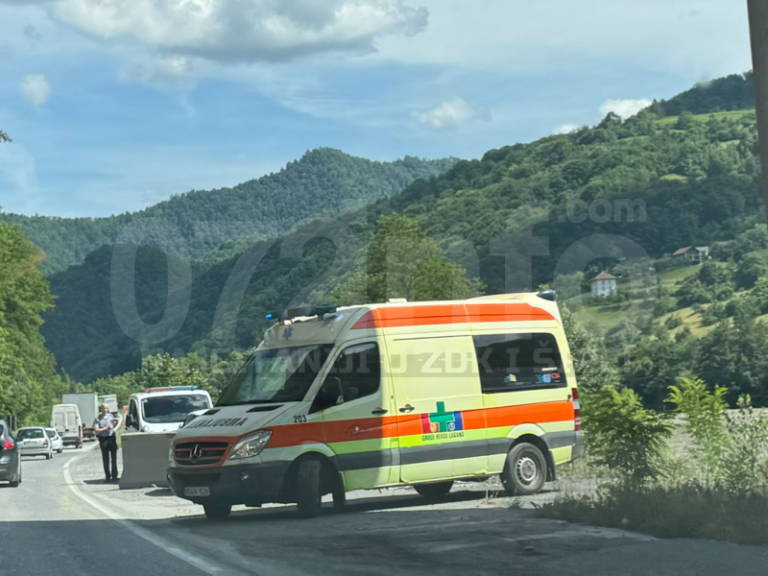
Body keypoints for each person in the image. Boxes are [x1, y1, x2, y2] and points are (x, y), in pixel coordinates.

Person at [94, 403, 118, 482]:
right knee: (105, 458)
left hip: (111, 438)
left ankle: (115, 475)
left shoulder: (111, 416)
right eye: (102, 408)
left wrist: (114, 427)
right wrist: (105, 428)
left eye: (105, 408)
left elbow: (116, 422)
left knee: (114, 458)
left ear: (107, 409)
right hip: (103, 439)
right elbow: (96, 430)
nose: (104, 410)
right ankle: (107, 476)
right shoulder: (98, 419)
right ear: (100, 409)